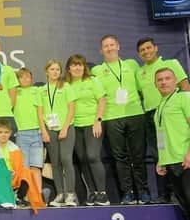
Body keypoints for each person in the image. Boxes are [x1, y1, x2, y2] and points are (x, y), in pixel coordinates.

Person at [91, 35, 150, 204]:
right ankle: (128, 192)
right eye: (105, 46)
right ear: (100, 50)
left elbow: (142, 88)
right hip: (111, 117)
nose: (109, 48)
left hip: (135, 114)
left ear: (118, 46)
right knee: (120, 157)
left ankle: (143, 190)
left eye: (111, 44)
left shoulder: (131, 64)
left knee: (138, 155)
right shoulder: (97, 71)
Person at [136, 37, 190, 202]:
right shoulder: (140, 72)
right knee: (157, 153)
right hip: (155, 115)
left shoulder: (172, 64)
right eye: (142, 50)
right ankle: (165, 194)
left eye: (148, 48)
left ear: (156, 48)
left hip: (175, 117)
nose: (146, 51)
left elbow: (185, 85)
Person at [153, 68, 190, 220]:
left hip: (185, 161)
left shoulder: (184, 98)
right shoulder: (161, 105)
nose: (164, 82)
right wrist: (161, 158)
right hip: (171, 161)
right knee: (185, 206)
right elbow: (161, 135)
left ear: (176, 81)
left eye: (167, 79)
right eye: (159, 80)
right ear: (155, 84)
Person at [65, 54, 110, 206]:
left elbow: (102, 101)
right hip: (75, 126)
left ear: (84, 67)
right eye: (74, 65)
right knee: (83, 158)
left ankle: (103, 193)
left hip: (92, 124)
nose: (77, 68)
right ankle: (92, 192)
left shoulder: (93, 81)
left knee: (92, 156)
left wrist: (98, 120)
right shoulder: (66, 85)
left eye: (80, 65)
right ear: (69, 69)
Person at [0, 120, 45, 213]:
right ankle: (7, 198)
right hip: (0, 179)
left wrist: (14, 172)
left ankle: (19, 197)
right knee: (2, 174)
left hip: (13, 178)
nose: (3, 135)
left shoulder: (14, 148)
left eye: (6, 132)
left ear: (10, 133)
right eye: (0, 132)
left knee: (26, 173)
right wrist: (7, 173)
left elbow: (19, 165)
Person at [38, 59, 76, 207]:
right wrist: (44, 131)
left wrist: (65, 127)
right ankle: (60, 194)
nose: (55, 72)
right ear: (46, 71)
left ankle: (71, 194)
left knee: (66, 159)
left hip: (66, 128)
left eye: (58, 69)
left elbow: (72, 109)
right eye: (52, 69)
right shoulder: (41, 90)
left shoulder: (66, 87)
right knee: (55, 163)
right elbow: (39, 113)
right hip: (50, 130)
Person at [12, 68, 44, 193]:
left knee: (36, 166)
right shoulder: (15, 92)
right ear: (17, 79)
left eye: (28, 77)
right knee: (24, 168)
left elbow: (40, 111)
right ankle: (26, 195)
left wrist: (42, 130)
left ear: (32, 79)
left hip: (36, 133)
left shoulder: (37, 91)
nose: (25, 79)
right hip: (21, 133)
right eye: (22, 77)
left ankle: (38, 194)